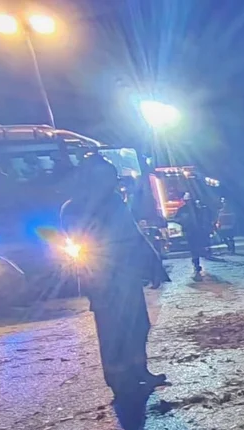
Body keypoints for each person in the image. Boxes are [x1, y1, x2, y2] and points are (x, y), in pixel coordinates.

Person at [60, 154, 170, 396]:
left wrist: (153, 265)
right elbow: (82, 244)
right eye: (107, 178)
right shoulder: (74, 208)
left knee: (138, 325)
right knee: (112, 331)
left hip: (126, 278)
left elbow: (132, 236)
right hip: (102, 281)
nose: (113, 183)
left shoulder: (114, 202)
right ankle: (119, 382)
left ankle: (139, 371)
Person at [180, 193, 214, 280]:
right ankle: (196, 264)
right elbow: (179, 219)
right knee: (194, 250)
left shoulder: (198, 209)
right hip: (190, 233)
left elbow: (204, 219)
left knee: (198, 248)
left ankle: (199, 260)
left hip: (198, 232)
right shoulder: (183, 210)